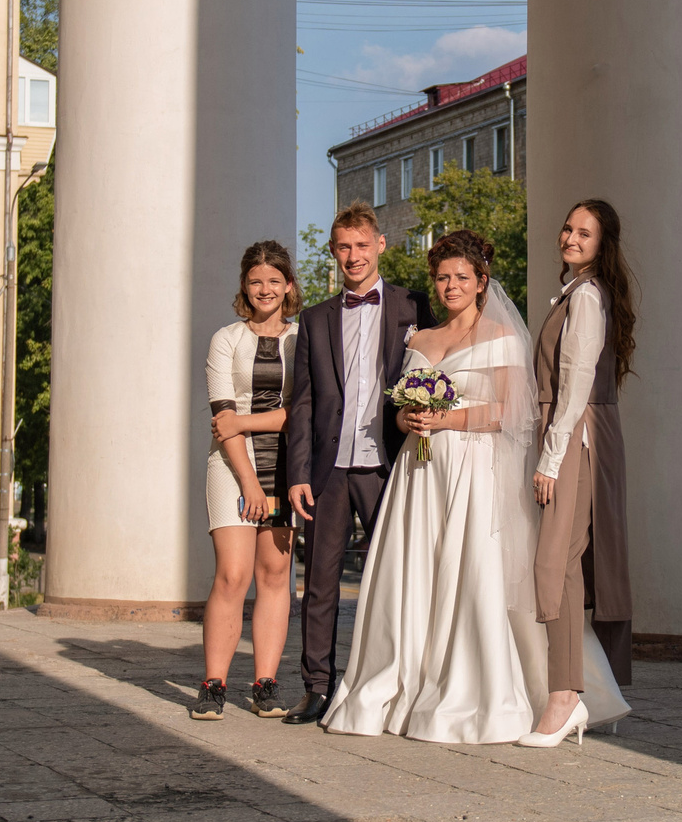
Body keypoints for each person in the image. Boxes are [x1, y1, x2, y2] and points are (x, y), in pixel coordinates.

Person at [324, 231, 625, 744]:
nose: (451, 286)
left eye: (462, 277)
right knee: (414, 576)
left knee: (471, 576)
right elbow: (397, 412)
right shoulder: (417, 340)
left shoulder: (502, 338)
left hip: (474, 475)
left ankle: (485, 695)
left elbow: (513, 412)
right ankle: (400, 684)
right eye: (442, 278)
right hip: (420, 478)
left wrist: (447, 418)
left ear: (482, 282)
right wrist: (409, 421)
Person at [280, 203, 420, 725]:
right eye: (343, 247)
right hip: (328, 469)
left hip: (390, 464)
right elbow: (303, 403)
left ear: (380, 245)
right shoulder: (315, 319)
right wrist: (297, 474)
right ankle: (318, 687)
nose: (353, 256)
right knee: (319, 581)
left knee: (398, 576)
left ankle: (398, 682)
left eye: (362, 245)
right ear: (334, 251)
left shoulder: (413, 307)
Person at [526, 198, 637, 748]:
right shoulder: (574, 293)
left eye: (584, 233)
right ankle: (579, 691)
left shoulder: (587, 298)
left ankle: (566, 696)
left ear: (601, 244)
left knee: (557, 562)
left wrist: (550, 458)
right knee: (566, 565)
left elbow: (575, 386)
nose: (571, 237)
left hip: (575, 437)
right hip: (574, 433)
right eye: (568, 227)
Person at [193, 242, 302, 721]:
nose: (265, 289)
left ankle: (265, 684)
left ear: (288, 286)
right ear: (245, 286)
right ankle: (213, 684)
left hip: (285, 465)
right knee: (233, 574)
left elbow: (300, 416)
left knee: (276, 575)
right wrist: (250, 485)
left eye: (274, 280)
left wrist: (246, 422)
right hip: (233, 469)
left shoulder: (303, 339)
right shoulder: (225, 339)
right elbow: (222, 419)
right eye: (256, 281)